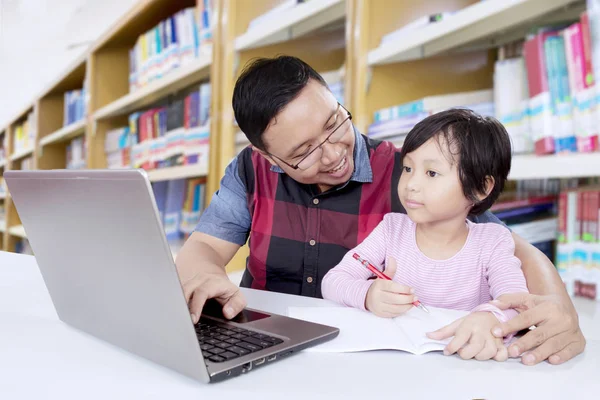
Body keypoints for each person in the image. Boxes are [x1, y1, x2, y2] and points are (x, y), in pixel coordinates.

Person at [175, 55, 586, 366]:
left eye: (335, 123)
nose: (335, 153)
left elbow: (512, 249)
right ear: (267, 157)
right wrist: (206, 277)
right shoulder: (248, 172)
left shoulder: (410, 174)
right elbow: (202, 251)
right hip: (263, 352)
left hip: (371, 366)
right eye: (303, 153)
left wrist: (557, 308)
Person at [321, 108, 529, 361]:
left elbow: (517, 304)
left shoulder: (492, 241)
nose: (411, 184)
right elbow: (333, 281)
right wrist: (367, 295)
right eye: (407, 169)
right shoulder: (391, 229)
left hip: (464, 365)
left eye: (431, 173)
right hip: (396, 362)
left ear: (480, 188)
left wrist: (488, 317)